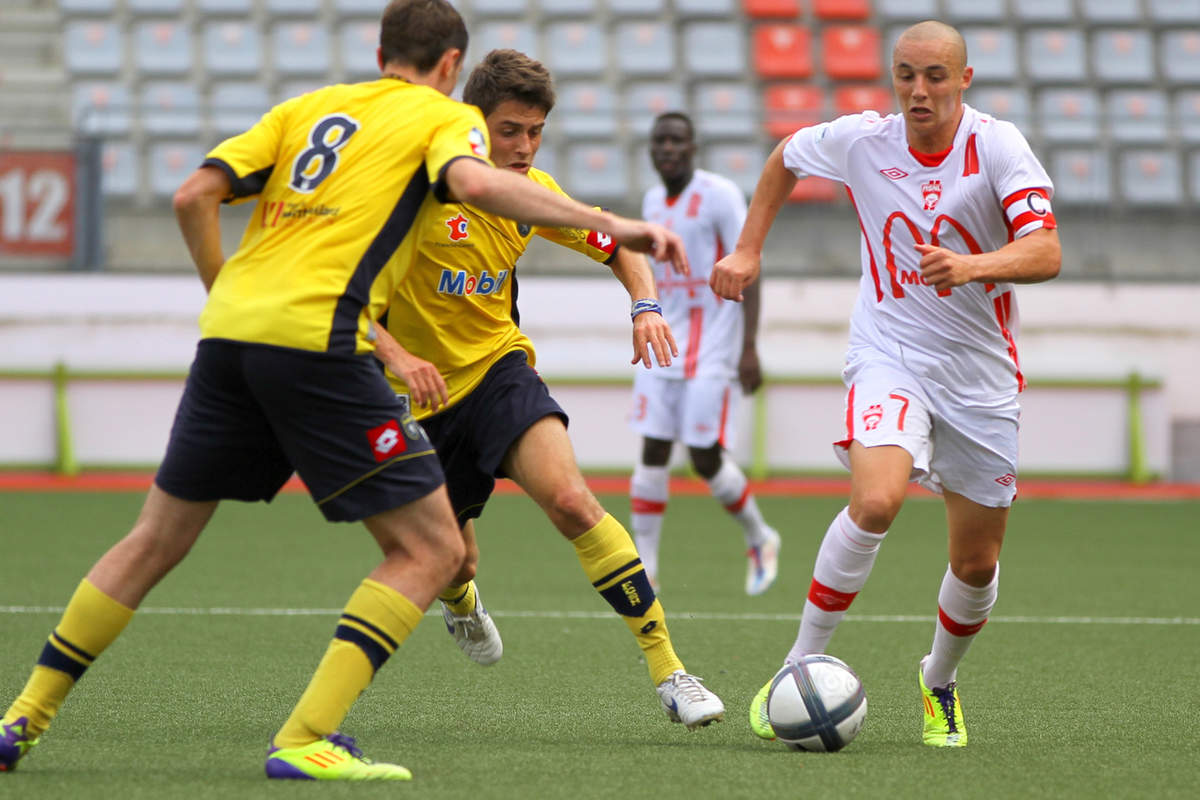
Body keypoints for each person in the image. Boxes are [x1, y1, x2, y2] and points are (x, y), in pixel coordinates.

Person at [0, 0, 690, 781]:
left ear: (379, 51)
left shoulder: (306, 109)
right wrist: (618, 226)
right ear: (451, 67)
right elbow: (476, 183)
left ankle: (22, 718)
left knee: (153, 539)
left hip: (230, 333)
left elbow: (192, 195)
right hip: (319, 342)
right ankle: (304, 737)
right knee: (434, 549)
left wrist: (226, 292)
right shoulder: (442, 120)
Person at [711, 20, 1061, 747]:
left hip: (979, 377)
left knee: (976, 562)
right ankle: (797, 664)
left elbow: (1046, 250)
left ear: (964, 79)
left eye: (935, 76)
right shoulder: (862, 140)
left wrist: (971, 266)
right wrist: (748, 249)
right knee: (875, 501)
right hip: (888, 353)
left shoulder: (997, 146)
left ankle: (939, 680)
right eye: (906, 74)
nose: (918, 90)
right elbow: (784, 157)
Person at [372, 49, 725, 731]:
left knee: (571, 501)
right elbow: (343, 296)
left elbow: (619, 245)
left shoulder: (529, 193)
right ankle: (461, 599)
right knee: (454, 560)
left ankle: (670, 671)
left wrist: (645, 306)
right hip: (418, 397)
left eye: (535, 132)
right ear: (473, 123)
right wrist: (396, 355)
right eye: (510, 131)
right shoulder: (415, 192)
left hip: (499, 373)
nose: (525, 147)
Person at [628, 112, 781, 596]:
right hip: (664, 341)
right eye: (660, 141)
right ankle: (646, 568)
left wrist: (749, 347)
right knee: (652, 448)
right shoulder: (652, 201)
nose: (668, 148)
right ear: (651, 150)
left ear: (693, 147)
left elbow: (750, 264)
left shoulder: (720, 195)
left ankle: (760, 536)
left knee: (703, 456)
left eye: (677, 140)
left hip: (714, 344)